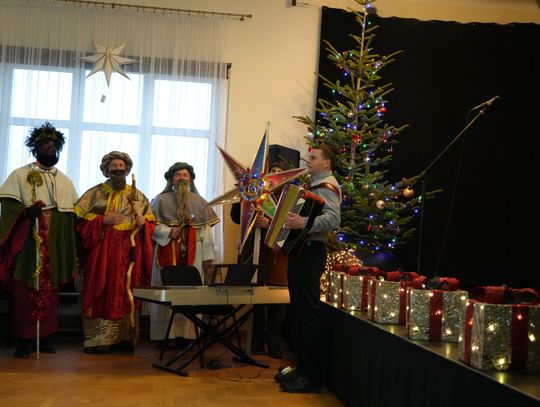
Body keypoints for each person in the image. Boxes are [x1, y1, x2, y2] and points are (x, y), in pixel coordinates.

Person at [0, 122, 78, 358]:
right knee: (25, 287)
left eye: (53, 145)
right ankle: (24, 340)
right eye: (45, 144)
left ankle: (45, 336)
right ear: (35, 148)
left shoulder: (64, 180)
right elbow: (8, 204)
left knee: (50, 288)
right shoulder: (20, 174)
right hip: (29, 239)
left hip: (53, 239)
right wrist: (25, 212)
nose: (49, 148)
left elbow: (71, 213)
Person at [74, 151, 155, 353]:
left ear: (127, 169)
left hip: (128, 252)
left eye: (121, 165)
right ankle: (98, 340)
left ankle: (124, 338)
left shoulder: (138, 195)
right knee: (99, 289)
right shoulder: (94, 194)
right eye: (114, 165)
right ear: (106, 169)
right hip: (102, 252)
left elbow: (150, 223)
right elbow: (79, 225)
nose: (118, 169)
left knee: (125, 291)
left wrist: (143, 223)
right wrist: (103, 220)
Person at [276, 144, 341, 393]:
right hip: (302, 252)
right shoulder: (313, 186)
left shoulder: (328, 186)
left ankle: (312, 377)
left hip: (311, 253)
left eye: (313, 157)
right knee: (300, 313)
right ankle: (302, 369)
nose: (307, 160)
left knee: (308, 315)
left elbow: (333, 219)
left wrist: (302, 222)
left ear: (326, 163)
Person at [149, 162, 219, 348]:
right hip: (166, 251)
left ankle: (186, 336)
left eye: (185, 175)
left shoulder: (200, 202)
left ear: (190, 179)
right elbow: (150, 227)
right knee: (166, 291)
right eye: (178, 175)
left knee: (190, 292)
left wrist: (208, 258)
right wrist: (167, 232)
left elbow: (206, 232)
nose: (181, 178)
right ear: (171, 179)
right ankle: (164, 336)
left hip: (193, 255)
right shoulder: (159, 200)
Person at [230, 160, 291, 359]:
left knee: (277, 302)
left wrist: (269, 224)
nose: (275, 173)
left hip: (277, 256)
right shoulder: (254, 192)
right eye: (273, 170)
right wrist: (242, 195)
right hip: (255, 253)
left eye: (280, 171)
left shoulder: (289, 197)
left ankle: (274, 342)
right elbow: (236, 217)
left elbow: (292, 229)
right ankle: (255, 343)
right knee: (255, 298)